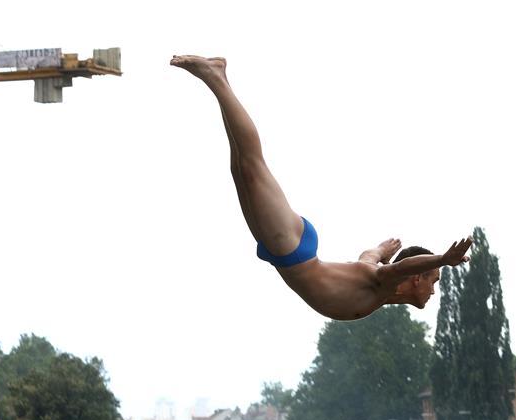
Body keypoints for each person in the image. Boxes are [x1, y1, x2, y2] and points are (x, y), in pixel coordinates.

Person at [170, 55, 472, 321]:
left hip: (293, 252)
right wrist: (442, 259)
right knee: (251, 166)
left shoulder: (378, 285)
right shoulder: (383, 282)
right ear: (416, 277)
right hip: (293, 253)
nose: (434, 290)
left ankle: (217, 81)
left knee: (240, 168)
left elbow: (368, 256)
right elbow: (394, 268)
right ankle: (216, 77)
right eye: (434, 280)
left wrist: (380, 249)